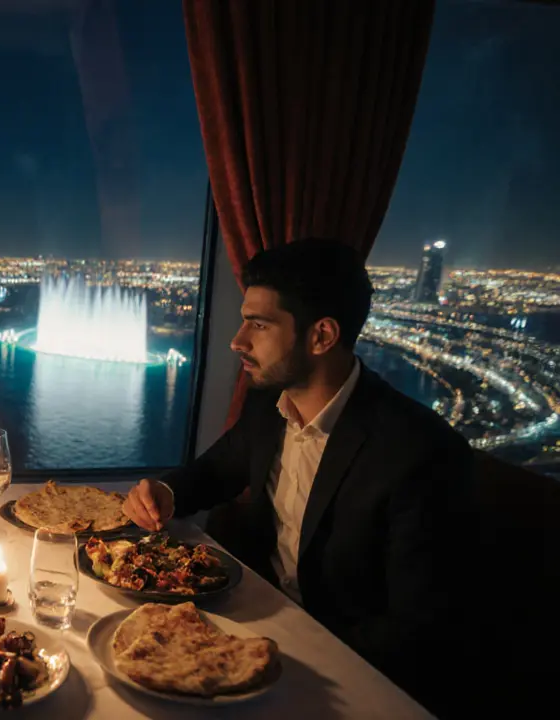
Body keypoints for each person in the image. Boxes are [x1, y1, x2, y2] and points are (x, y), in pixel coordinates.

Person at [123, 239, 470, 712]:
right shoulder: (271, 404)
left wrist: (272, 658)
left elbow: (417, 630)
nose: (237, 340)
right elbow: (213, 472)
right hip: (259, 622)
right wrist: (162, 491)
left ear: (321, 336)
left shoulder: (420, 452)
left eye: (259, 324)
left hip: (344, 674)